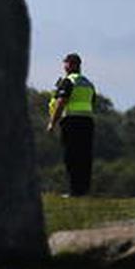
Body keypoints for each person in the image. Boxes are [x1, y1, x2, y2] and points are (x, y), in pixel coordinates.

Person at [47, 52, 96, 197]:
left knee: (71, 156)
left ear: (74, 65)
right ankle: (84, 190)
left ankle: (74, 191)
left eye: (67, 63)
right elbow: (93, 102)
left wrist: (52, 123)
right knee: (85, 157)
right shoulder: (88, 82)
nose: (65, 66)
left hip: (71, 121)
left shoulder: (68, 81)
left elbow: (61, 103)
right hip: (87, 121)